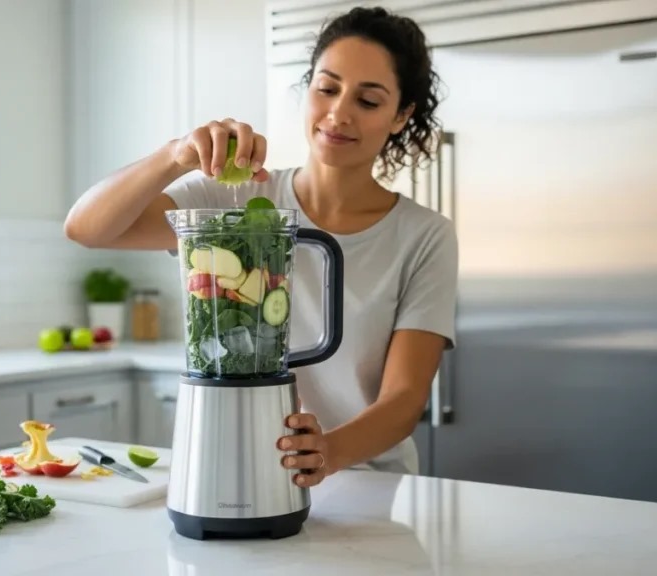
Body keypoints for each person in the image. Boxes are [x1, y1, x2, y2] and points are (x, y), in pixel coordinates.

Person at [64, 6, 457, 487]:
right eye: (327, 88)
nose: (338, 113)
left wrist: (328, 451)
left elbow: (404, 399)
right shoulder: (236, 194)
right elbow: (86, 227)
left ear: (401, 116)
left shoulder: (424, 235)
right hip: (237, 467)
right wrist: (176, 155)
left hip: (370, 481)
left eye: (368, 101)